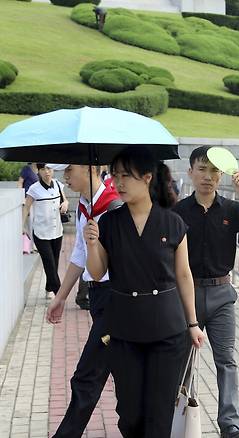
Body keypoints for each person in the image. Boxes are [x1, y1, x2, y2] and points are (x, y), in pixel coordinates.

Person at [85, 147, 205, 437]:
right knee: (129, 412)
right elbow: (98, 272)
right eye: (115, 176)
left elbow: (184, 275)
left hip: (167, 329)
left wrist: (192, 323)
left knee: (160, 411)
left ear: (147, 178)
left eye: (127, 175)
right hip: (124, 328)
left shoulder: (173, 222)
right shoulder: (109, 222)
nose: (119, 183)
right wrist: (91, 243)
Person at [173, 147, 239, 438]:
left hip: (222, 294)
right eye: (201, 170)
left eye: (214, 172)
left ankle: (230, 423)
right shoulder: (178, 212)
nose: (208, 177)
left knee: (226, 360)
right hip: (186, 295)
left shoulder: (231, 209)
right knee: (181, 360)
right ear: (190, 173)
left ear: (221, 175)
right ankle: (178, 416)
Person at [45, 164, 121, 437]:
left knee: (87, 375)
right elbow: (78, 255)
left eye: (69, 169)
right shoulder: (84, 207)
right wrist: (61, 297)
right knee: (120, 371)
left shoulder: (113, 207)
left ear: (91, 169)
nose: (64, 176)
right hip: (97, 296)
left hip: (115, 299)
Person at [22, 163, 68, 299]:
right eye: (43, 169)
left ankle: (49, 287)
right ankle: (59, 295)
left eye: (49, 168)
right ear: (38, 171)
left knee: (55, 261)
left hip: (57, 231)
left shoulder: (58, 185)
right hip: (41, 233)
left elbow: (64, 200)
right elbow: (26, 208)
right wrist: (22, 226)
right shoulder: (34, 188)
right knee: (49, 263)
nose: (46, 172)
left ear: (53, 170)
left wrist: (65, 203)